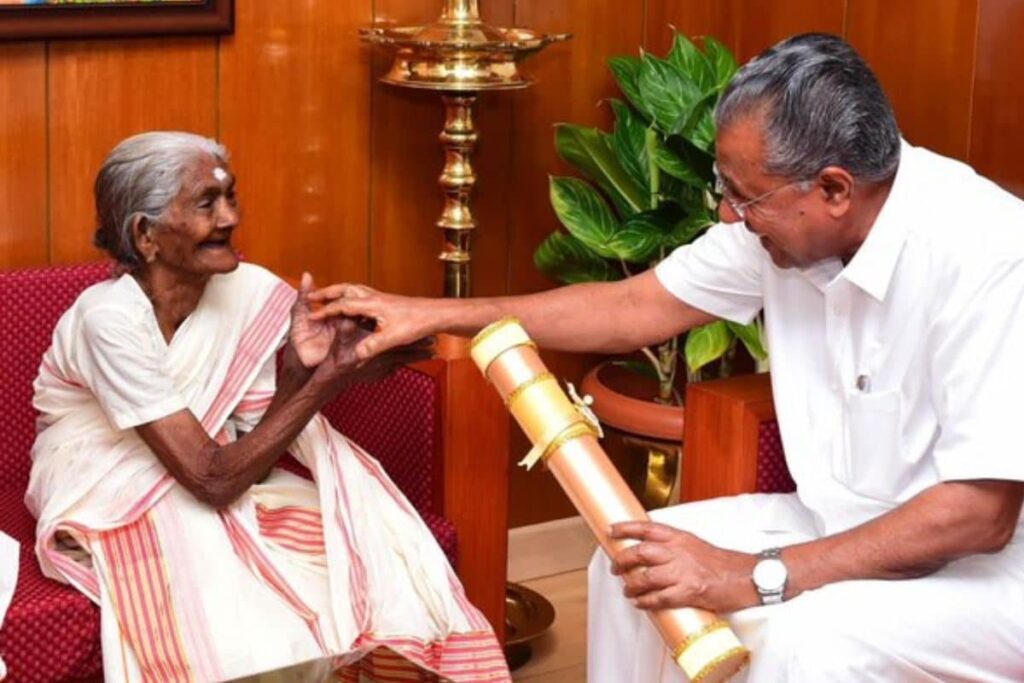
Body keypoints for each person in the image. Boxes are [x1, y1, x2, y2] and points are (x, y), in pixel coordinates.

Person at [307, 34, 1024, 681]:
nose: (728, 214)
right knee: (634, 563)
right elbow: (631, 308)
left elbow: (977, 514)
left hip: (984, 573)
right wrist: (428, 314)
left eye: (746, 197)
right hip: (828, 521)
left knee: (806, 643)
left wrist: (755, 573)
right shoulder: (782, 226)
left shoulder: (989, 252)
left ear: (834, 188)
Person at [27, 131, 510, 683]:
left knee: (356, 554)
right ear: (145, 234)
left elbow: (252, 446)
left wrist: (303, 372)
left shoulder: (246, 291)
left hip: (213, 466)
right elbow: (211, 480)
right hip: (102, 479)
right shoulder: (108, 320)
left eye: (230, 195)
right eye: (206, 203)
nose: (230, 217)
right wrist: (325, 382)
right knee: (240, 609)